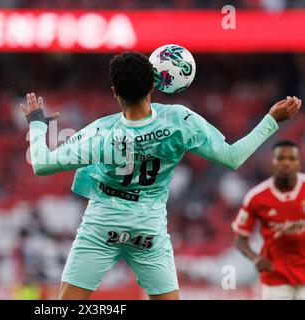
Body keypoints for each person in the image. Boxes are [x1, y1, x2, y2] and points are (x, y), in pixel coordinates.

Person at [19, 51, 301, 300]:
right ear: (154, 85)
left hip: (101, 228)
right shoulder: (179, 121)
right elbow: (232, 157)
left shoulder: (99, 134)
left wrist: (37, 125)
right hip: (148, 232)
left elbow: (41, 164)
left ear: (114, 90)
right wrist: (271, 121)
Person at [233, 140, 305, 300]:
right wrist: (255, 258)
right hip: (275, 278)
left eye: (291, 159)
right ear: (271, 164)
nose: (286, 163)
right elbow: (240, 238)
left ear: (298, 163)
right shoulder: (256, 197)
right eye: (280, 159)